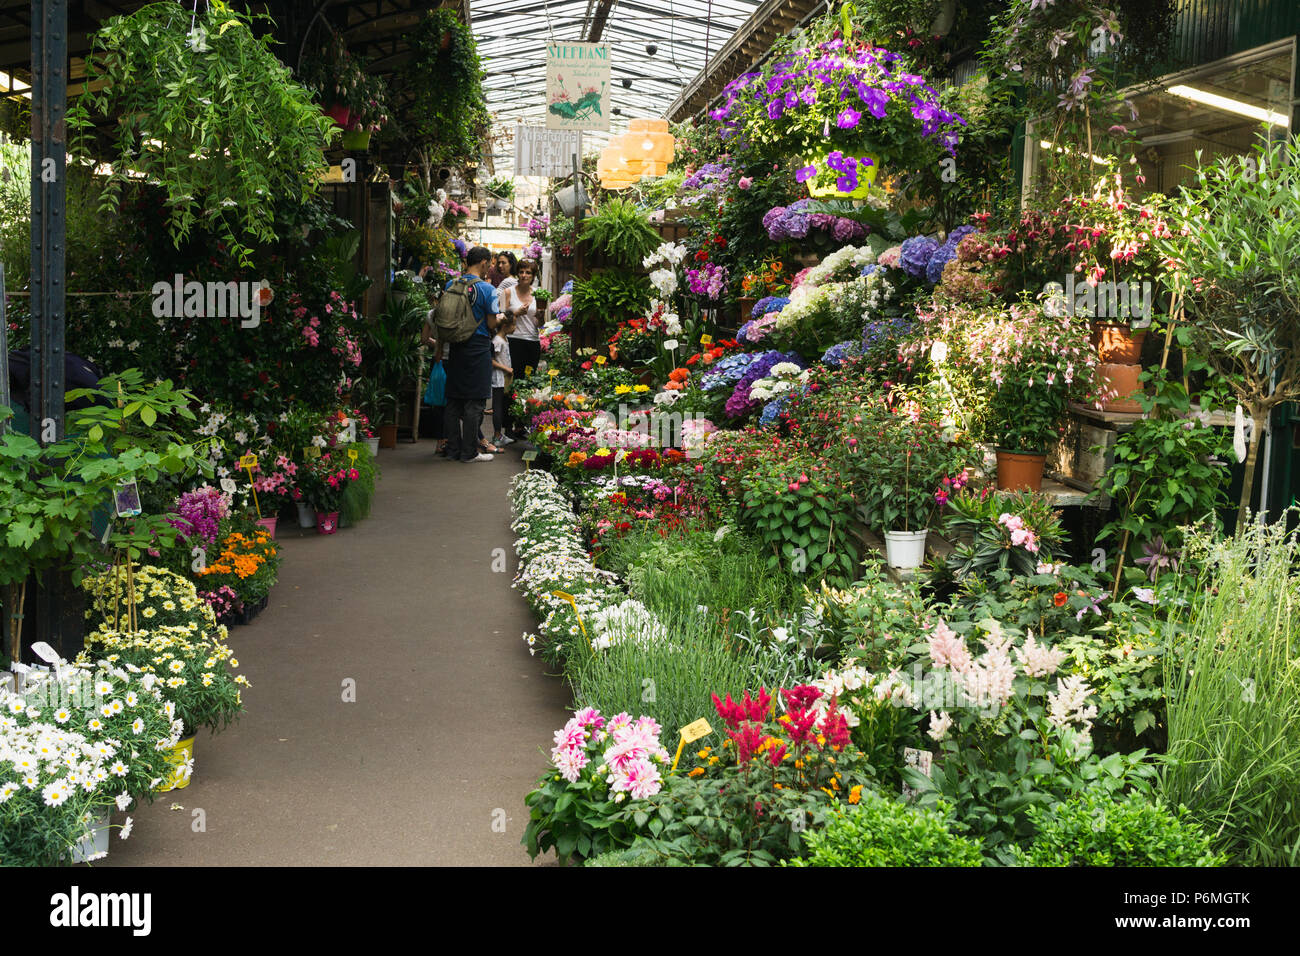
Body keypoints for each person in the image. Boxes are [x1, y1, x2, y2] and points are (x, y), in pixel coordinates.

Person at [439, 246, 500, 463]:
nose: (489, 268)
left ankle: (453, 449)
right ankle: (469, 452)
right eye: (489, 264)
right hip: (478, 347)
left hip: (455, 347)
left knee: (454, 401)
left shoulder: (451, 285)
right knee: (475, 402)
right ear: (483, 263)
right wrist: (501, 318)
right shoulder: (488, 289)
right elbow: (491, 323)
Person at [501, 258, 542, 439]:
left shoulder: (539, 294)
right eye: (522, 272)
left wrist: (540, 316)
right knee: (511, 383)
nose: (524, 275)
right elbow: (499, 318)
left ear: (533, 276)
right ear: (517, 273)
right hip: (513, 341)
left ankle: (522, 425)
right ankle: (507, 425)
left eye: (528, 272)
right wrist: (515, 313)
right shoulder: (508, 292)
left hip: (532, 342)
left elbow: (540, 324)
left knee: (528, 383)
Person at [490, 314, 515, 449]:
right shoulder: (497, 341)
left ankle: (499, 435)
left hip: (505, 377)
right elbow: (491, 360)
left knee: (502, 405)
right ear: (505, 326)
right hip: (499, 377)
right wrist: (506, 368)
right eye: (513, 325)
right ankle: (497, 436)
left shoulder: (504, 339)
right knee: (497, 406)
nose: (515, 328)